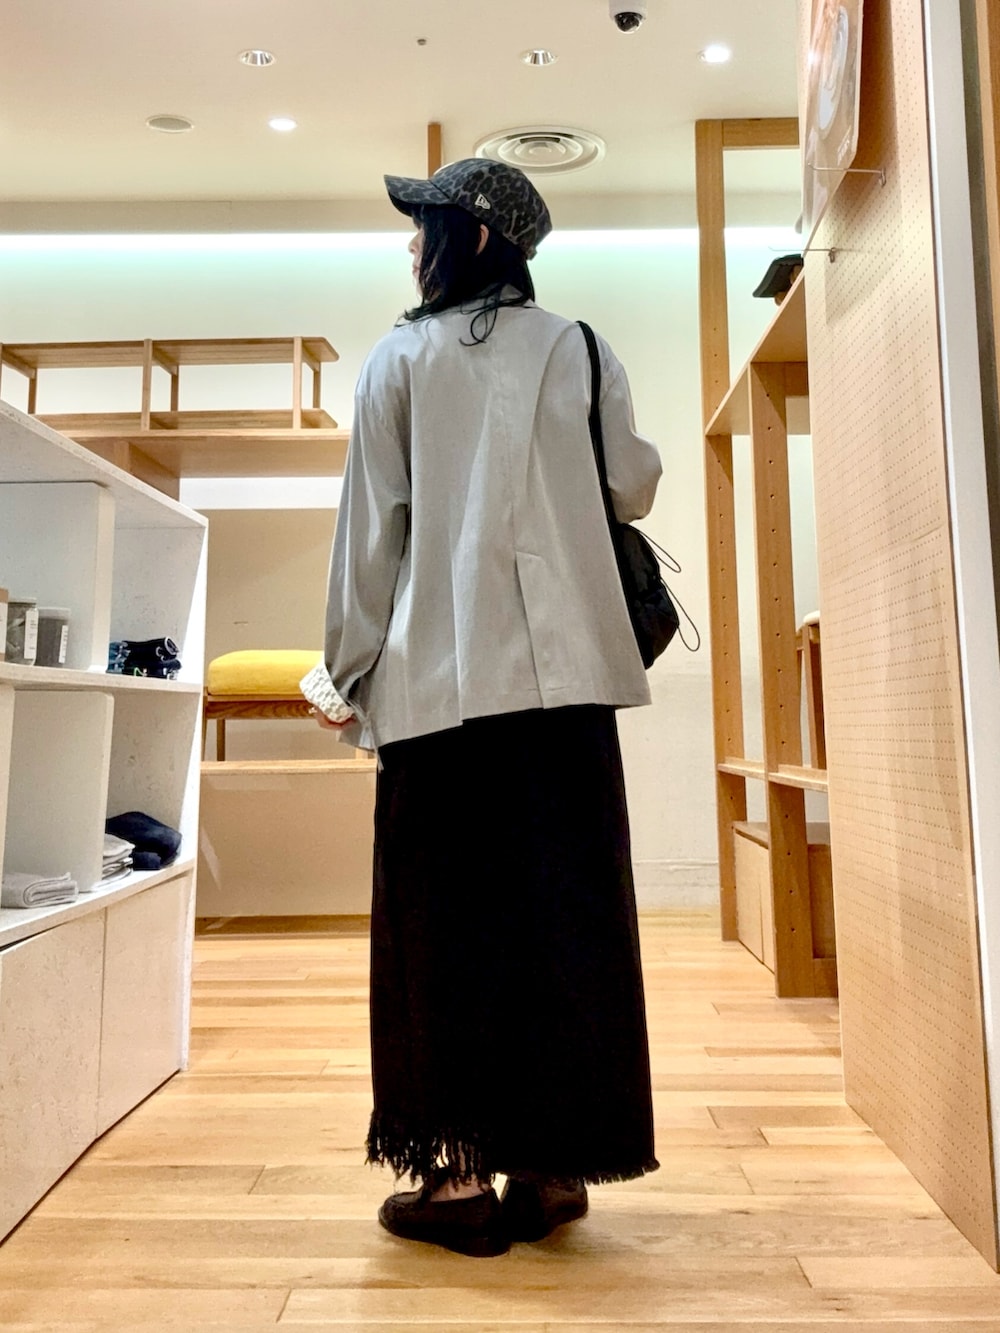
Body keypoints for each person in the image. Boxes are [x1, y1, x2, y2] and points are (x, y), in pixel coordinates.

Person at [311, 157, 662, 1258]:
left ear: (466, 237)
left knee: (441, 931)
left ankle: (454, 1180)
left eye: (420, 226)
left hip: (438, 692)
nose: (410, 245)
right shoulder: (580, 347)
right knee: (567, 924)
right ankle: (552, 1166)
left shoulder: (400, 360)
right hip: (564, 688)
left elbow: (370, 535)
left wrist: (343, 671)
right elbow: (633, 484)